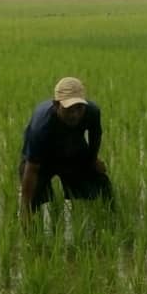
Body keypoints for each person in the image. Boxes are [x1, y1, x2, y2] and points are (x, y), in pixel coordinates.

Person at [19, 77, 113, 222]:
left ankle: (111, 218)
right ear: (56, 105)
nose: (75, 114)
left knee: (99, 181)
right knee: (34, 194)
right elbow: (31, 168)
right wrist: (25, 209)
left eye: (79, 108)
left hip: (72, 148)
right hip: (44, 156)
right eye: (69, 109)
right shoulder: (41, 125)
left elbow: (96, 135)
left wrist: (93, 160)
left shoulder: (92, 112)